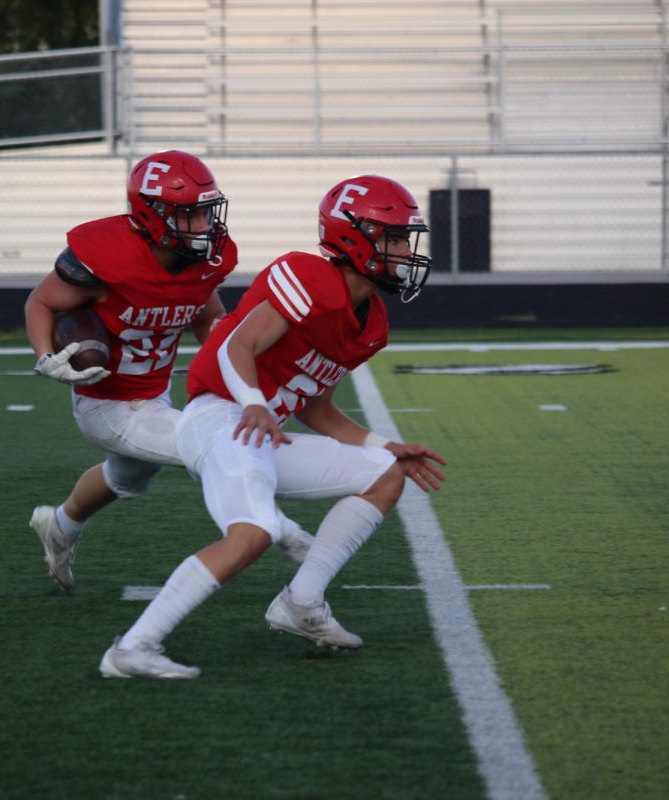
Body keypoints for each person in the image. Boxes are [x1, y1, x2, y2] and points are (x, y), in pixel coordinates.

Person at [99, 174, 448, 679]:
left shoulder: (369, 320)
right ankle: (132, 648)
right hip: (221, 416)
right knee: (255, 531)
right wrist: (254, 401)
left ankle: (301, 602)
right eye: (393, 239)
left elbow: (318, 408)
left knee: (384, 473)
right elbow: (234, 344)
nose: (403, 252)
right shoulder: (308, 276)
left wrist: (385, 444)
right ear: (355, 237)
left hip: (261, 433)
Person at [24, 150, 313, 591]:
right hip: (106, 404)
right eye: (191, 214)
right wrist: (47, 357)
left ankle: (60, 526)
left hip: (155, 395)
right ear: (153, 216)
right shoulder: (109, 255)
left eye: (206, 212)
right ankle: (290, 536)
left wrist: (233, 346)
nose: (205, 225)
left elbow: (203, 313)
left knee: (126, 477)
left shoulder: (201, 259)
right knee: (214, 450)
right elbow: (41, 302)